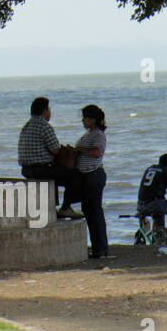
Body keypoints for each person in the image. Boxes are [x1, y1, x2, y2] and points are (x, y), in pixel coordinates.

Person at [17, 97, 83, 218]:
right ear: (44, 111)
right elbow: (55, 150)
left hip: (26, 170)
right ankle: (65, 208)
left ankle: (53, 207)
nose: (50, 112)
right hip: (42, 169)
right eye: (49, 109)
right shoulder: (44, 126)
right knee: (75, 175)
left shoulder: (26, 126)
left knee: (57, 174)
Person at [76, 104, 110, 259]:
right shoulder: (89, 134)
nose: (83, 121)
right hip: (85, 176)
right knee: (89, 211)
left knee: (95, 211)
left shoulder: (98, 135)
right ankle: (97, 247)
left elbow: (97, 152)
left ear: (93, 120)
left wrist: (80, 150)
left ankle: (101, 248)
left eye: (86, 118)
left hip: (94, 175)